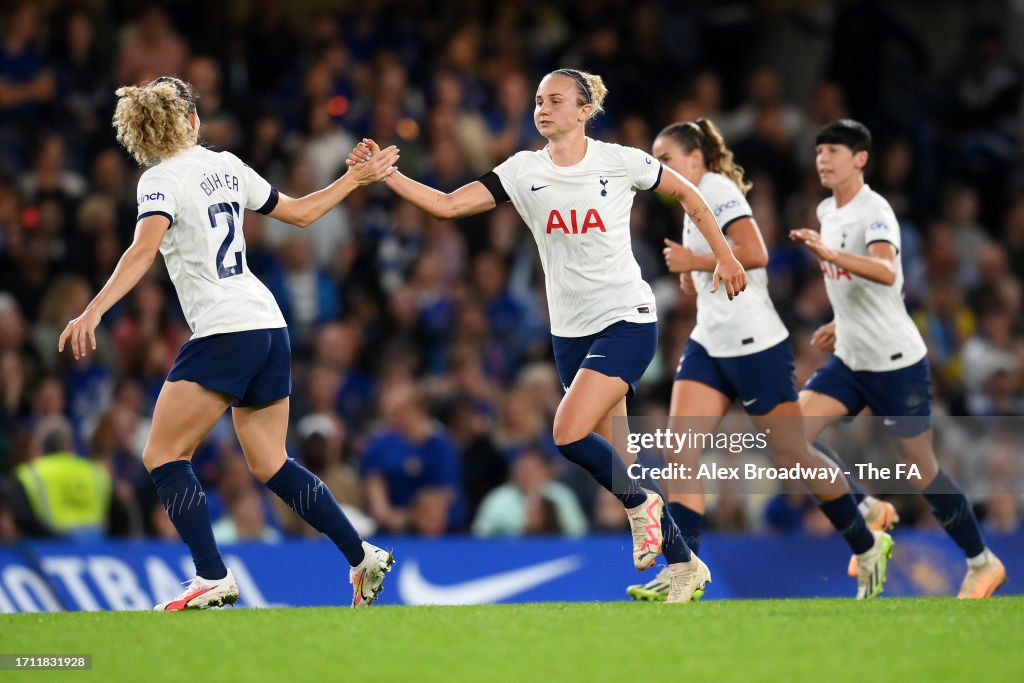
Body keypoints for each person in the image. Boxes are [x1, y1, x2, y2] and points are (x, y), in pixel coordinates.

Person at [349, 68, 748, 603]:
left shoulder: (621, 160)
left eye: (556, 100)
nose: (543, 108)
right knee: (619, 461)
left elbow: (690, 197)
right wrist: (387, 178)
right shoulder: (522, 170)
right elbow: (446, 206)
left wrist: (723, 256)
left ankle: (644, 508)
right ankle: (684, 565)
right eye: (538, 100)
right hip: (570, 333)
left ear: (585, 111)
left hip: (626, 317)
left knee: (568, 433)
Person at [58, 76, 400, 610]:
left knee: (164, 453)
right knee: (269, 462)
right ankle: (361, 556)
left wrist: (94, 309)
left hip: (224, 328)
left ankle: (211, 574)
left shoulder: (158, 180)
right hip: (268, 323)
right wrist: (354, 179)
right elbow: (303, 213)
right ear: (192, 121)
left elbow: (144, 248)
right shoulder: (227, 165)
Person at [625, 119, 894, 602]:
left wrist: (694, 263)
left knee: (793, 456)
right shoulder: (689, 201)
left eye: (664, 158)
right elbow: (720, 263)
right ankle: (685, 568)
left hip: (754, 344)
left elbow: (755, 252)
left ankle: (865, 539)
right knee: (679, 452)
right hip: (711, 342)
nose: (657, 169)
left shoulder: (716, 189)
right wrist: (695, 274)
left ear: (694, 158)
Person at [791, 118, 1006, 599]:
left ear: (860, 159)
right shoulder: (828, 209)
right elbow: (858, 288)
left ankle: (982, 562)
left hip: (894, 363)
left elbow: (887, 271)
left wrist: (829, 253)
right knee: (790, 434)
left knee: (920, 469)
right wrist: (840, 321)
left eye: (833, 151)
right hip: (851, 358)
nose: (823, 159)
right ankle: (868, 509)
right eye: (819, 151)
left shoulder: (876, 210)